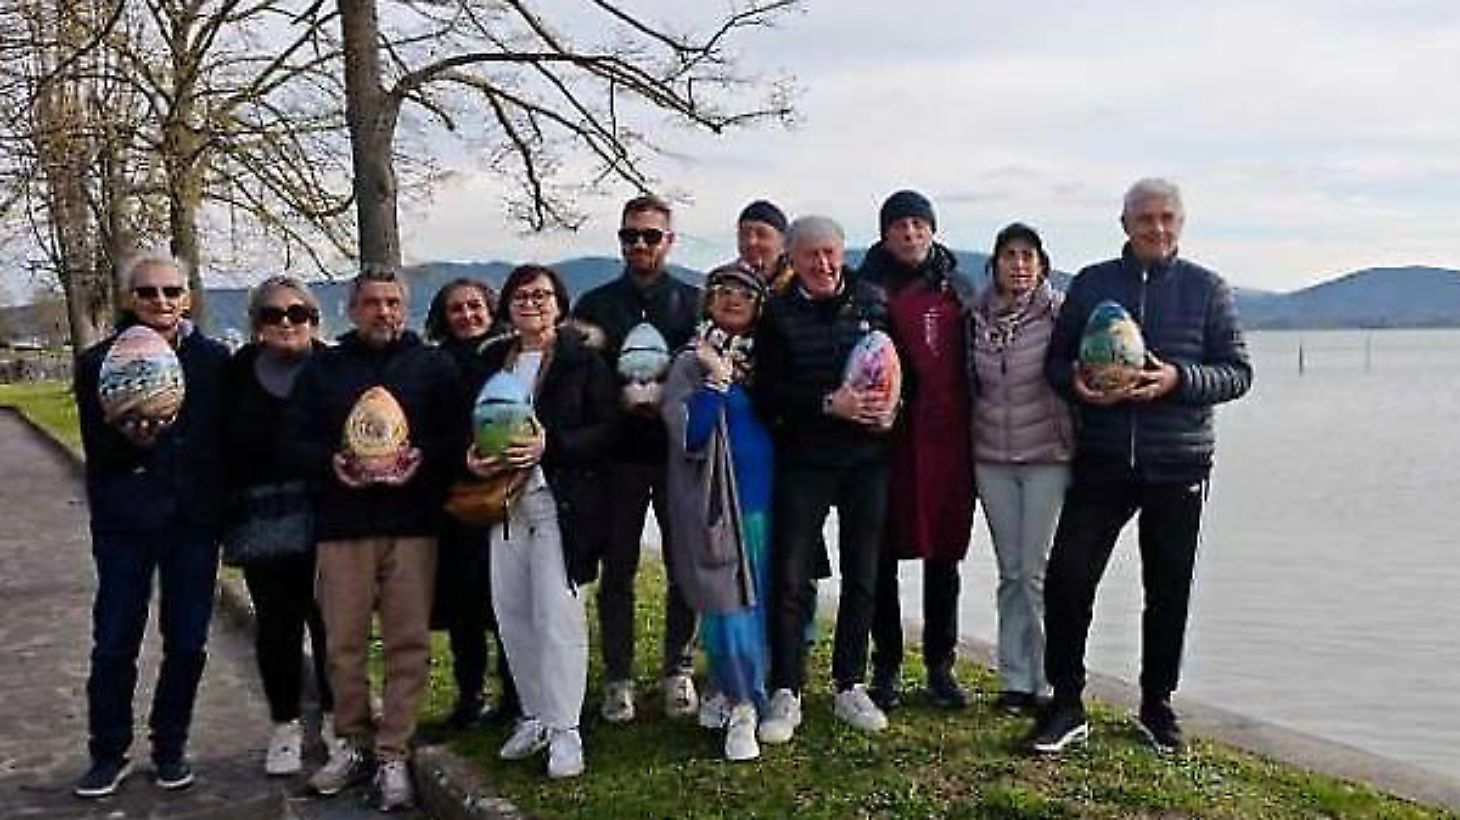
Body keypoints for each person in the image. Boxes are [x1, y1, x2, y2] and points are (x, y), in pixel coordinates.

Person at [1029, 178, 1253, 755]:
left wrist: (1178, 380)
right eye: (1146, 218)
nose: (1157, 227)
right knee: (1068, 578)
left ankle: (1157, 704)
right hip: (1103, 460)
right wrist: (1077, 384)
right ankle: (1066, 702)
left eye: (1167, 218)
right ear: (1124, 223)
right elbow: (1057, 363)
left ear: (1182, 223)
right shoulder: (1093, 284)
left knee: (1168, 589)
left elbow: (1237, 373)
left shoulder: (1208, 289)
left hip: (1179, 464)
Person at [282, 269, 460, 810]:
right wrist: (330, 462)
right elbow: (292, 439)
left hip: (412, 524)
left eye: (392, 303)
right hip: (343, 526)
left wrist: (422, 457)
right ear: (351, 308)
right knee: (343, 644)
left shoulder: (433, 365)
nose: (383, 312)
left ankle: (393, 753)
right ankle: (355, 743)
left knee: (408, 642)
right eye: (371, 303)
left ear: (404, 309)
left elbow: (457, 435)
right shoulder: (323, 368)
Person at [71, 252, 230, 798]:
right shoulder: (97, 363)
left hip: (192, 522)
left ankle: (170, 746)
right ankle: (107, 752)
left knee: (186, 642)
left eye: (171, 291)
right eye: (147, 292)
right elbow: (98, 451)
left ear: (186, 297)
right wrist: (131, 441)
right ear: (129, 300)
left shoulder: (213, 360)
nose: (160, 301)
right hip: (125, 523)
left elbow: (221, 445)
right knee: (115, 641)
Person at [464, 264, 616, 779]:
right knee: (512, 613)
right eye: (522, 295)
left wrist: (554, 445)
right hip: (503, 503)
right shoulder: (490, 360)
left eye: (542, 295)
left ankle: (566, 728)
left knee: (557, 615)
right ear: (507, 305)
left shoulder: (584, 361)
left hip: (559, 502)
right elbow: (473, 423)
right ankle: (533, 714)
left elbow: (608, 430)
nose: (532, 303)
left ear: (559, 303)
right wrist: (473, 457)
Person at [754, 215, 896, 744]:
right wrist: (823, 403)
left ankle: (849, 684)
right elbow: (766, 393)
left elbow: (906, 378)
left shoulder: (876, 302)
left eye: (831, 252)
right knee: (791, 577)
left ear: (843, 252)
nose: (822, 263)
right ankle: (786, 688)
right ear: (791, 258)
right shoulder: (778, 314)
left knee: (864, 574)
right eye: (810, 254)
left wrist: (892, 410)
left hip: (867, 460)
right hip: (805, 460)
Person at [572, 194, 703, 723]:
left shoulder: (694, 302)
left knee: (684, 565)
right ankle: (618, 677)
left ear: (670, 240)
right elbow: (580, 382)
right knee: (619, 569)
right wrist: (616, 396)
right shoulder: (596, 304)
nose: (640, 245)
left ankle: (679, 668)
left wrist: (670, 393)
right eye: (631, 236)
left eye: (651, 235)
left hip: (678, 455)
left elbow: (706, 372)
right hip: (619, 456)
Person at [858, 190, 976, 711]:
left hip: (950, 438)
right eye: (899, 224)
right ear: (885, 233)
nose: (909, 233)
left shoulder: (959, 285)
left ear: (932, 229)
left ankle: (940, 665)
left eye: (918, 224)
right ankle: (885, 666)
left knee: (944, 555)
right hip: (886, 441)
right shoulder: (863, 287)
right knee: (883, 556)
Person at [222, 276, 335, 776]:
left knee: (332, 623)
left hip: (325, 510)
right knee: (276, 626)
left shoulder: (333, 366)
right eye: (272, 314)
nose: (286, 322)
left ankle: (336, 718)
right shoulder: (237, 372)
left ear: (314, 319)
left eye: (297, 313)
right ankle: (284, 725)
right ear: (256, 323)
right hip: (260, 514)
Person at [661, 263, 775, 761]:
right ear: (708, 301)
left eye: (744, 294)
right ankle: (741, 704)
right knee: (726, 607)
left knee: (759, 606)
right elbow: (687, 435)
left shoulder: (769, 360)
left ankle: (748, 692)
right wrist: (717, 381)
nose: (732, 299)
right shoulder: (692, 360)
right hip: (716, 506)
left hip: (765, 501)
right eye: (723, 291)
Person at [967, 223, 1074, 715]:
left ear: (1042, 264)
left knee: (1036, 571)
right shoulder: (975, 317)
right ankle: (1014, 679)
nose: (1020, 264)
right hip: (991, 456)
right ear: (996, 264)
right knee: (1010, 573)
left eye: (1028, 255)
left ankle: (1052, 679)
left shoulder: (1060, 314)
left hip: (1047, 457)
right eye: (1010, 255)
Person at [423, 279, 520, 729]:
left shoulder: (510, 356)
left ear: (490, 309)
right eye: (456, 308)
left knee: (508, 602)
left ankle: (515, 692)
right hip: (456, 496)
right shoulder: (435, 362)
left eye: (475, 306)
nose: (467, 315)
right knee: (464, 607)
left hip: (509, 492)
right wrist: (462, 455)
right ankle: (470, 693)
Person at [733, 199, 791, 289]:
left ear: (784, 244)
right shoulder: (725, 284)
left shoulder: (804, 286)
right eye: (744, 234)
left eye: (762, 234)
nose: (751, 242)